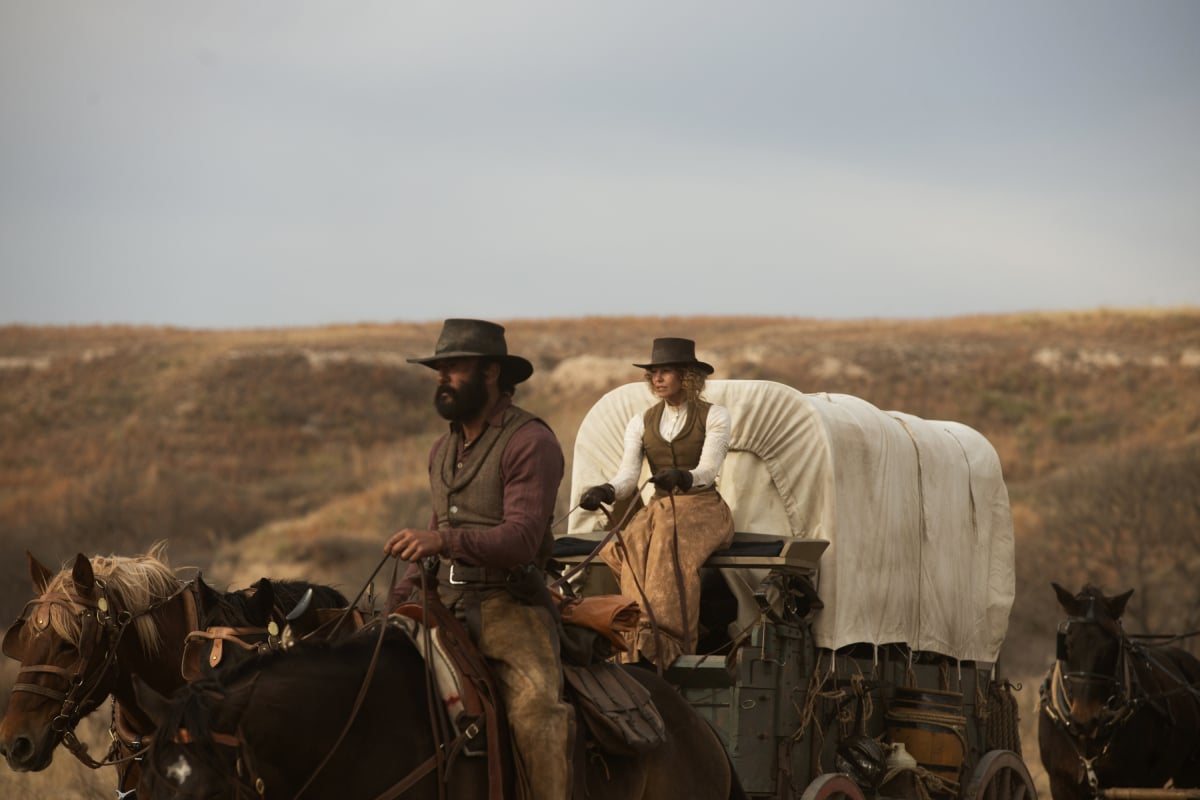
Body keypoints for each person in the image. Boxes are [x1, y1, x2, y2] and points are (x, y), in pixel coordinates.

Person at [384, 318, 572, 800]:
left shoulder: (531, 441)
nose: (442, 379)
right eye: (439, 369)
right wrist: (401, 597)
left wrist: (444, 543)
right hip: (440, 602)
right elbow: (432, 528)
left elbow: (522, 539)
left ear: (491, 374)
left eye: (454, 368)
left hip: (509, 608)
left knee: (536, 715)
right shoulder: (441, 449)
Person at [579, 337, 735, 669]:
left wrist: (683, 477)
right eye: (654, 373)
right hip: (661, 508)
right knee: (629, 541)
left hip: (703, 506)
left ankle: (667, 642)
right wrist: (604, 491)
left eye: (666, 372)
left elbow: (708, 470)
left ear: (687, 377)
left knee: (666, 535)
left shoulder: (715, 416)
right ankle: (633, 638)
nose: (657, 379)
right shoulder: (641, 421)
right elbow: (627, 478)